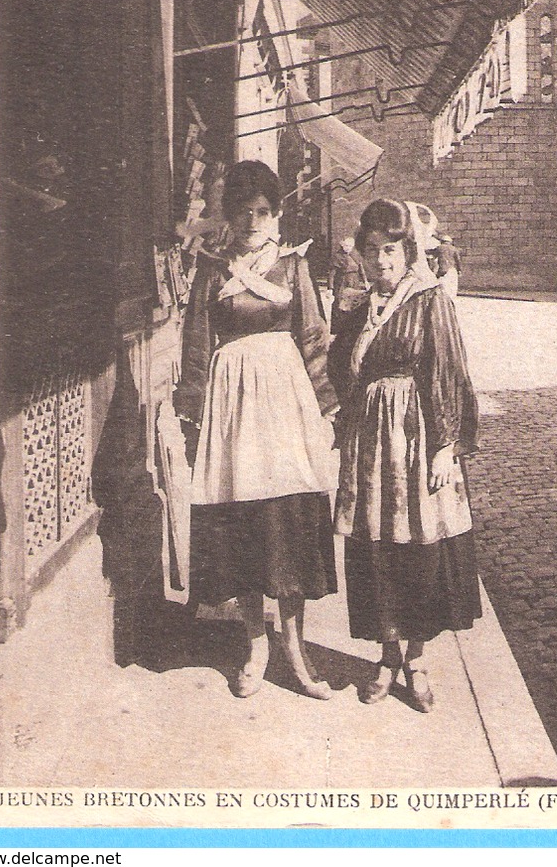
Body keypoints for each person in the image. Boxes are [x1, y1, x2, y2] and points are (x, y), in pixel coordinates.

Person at [174, 160, 338, 700]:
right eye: (243, 211)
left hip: (284, 403)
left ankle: (296, 650)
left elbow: (312, 338)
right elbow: (196, 344)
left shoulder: (292, 267)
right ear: (229, 216)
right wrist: (193, 413)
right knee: (245, 518)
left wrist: (326, 410)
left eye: (263, 211)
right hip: (233, 406)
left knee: (287, 517)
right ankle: (254, 645)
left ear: (277, 213)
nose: (253, 220)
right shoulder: (213, 271)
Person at [328, 198, 481, 713]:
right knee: (377, 547)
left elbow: (449, 371)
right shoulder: (355, 305)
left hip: (416, 441)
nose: (381, 262)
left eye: (390, 250)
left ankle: (415, 659)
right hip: (371, 444)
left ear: (407, 250)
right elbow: (337, 370)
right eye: (371, 252)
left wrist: (447, 446)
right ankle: (386, 655)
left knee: (418, 546)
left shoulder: (430, 299)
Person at [328, 236, 368, 334]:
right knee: (339, 305)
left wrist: (365, 281)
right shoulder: (337, 256)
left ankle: (350, 329)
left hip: (354, 282)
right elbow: (332, 274)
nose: (348, 248)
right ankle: (337, 330)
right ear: (342, 245)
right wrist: (330, 288)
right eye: (346, 245)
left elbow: (361, 269)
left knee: (353, 304)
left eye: (350, 246)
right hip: (342, 282)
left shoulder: (355, 255)